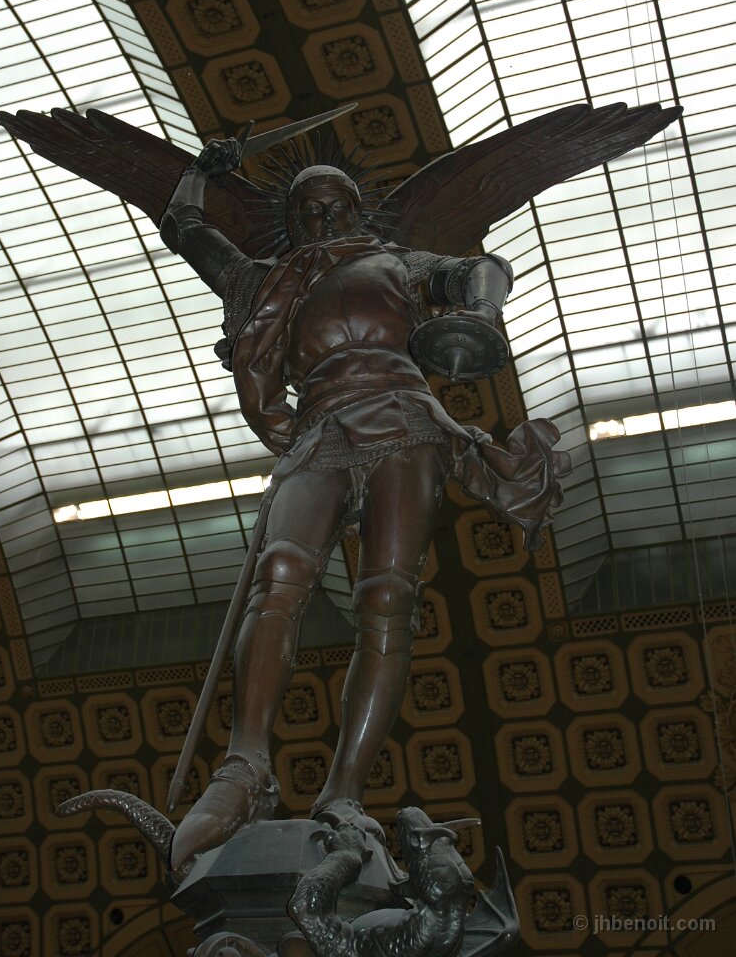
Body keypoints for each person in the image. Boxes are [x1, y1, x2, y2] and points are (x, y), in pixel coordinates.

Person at [159, 138, 565, 867]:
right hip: (318, 427)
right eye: (307, 210)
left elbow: (484, 268)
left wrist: (478, 309)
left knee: (386, 598)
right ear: (293, 222)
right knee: (281, 571)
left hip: (406, 420)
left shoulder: (398, 263)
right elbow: (187, 231)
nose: (322, 218)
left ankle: (344, 790)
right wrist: (198, 172)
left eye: (334, 205)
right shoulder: (264, 279)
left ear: (355, 210)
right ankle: (245, 767)